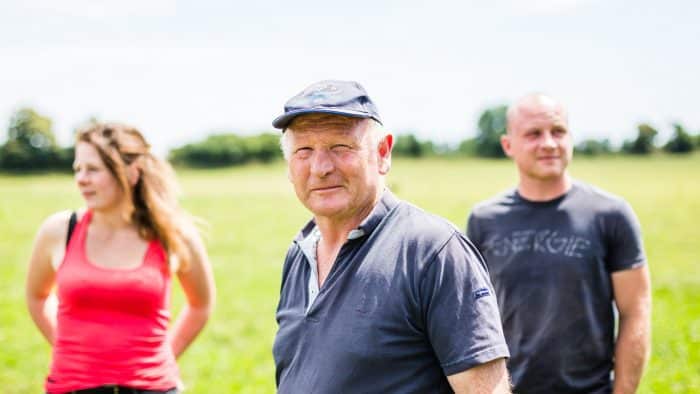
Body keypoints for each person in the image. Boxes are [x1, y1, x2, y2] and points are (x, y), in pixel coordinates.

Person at [271, 80, 511, 393]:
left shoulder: (433, 251)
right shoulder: (300, 253)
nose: (320, 167)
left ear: (383, 153)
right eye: (304, 151)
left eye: (340, 148)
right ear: (289, 166)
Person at [466, 94, 651, 394]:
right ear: (508, 145)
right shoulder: (484, 220)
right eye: (534, 134)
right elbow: (473, 320)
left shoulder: (611, 215)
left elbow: (636, 312)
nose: (549, 143)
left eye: (559, 131)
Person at [26, 123, 216, 394]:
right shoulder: (59, 230)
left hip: (154, 388)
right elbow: (37, 297)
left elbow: (201, 304)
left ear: (131, 172)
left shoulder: (173, 234)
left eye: (93, 169)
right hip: (71, 387)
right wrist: (67, 349)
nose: (81, 178)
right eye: (77, 169)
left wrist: (164, 359)